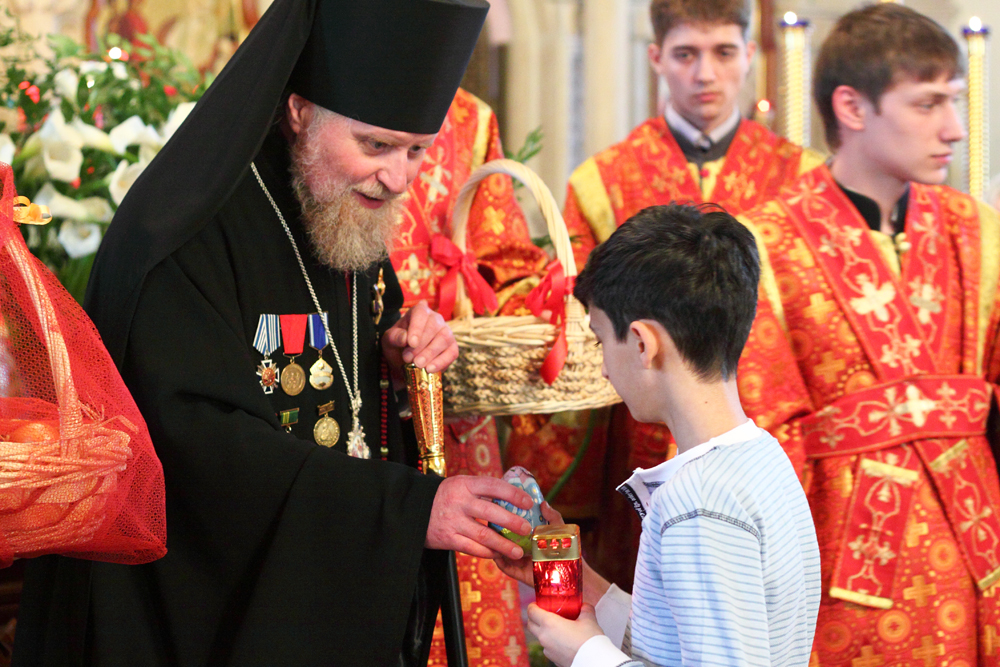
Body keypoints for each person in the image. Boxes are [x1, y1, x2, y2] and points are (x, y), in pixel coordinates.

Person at [12, 1, 538, 665]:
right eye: (375, 145)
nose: (398, 177)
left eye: (416, 151)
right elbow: (195, 449)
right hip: (201, 622)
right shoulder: (186, 232)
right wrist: (404, 510)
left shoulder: (340, 207)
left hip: (318, 596)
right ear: (299, 111)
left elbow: (351, 394)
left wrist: (395, 352)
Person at [506, 0, 817, 591]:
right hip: (643, 439)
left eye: (723, 52)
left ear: (749, 55)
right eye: (685, 54)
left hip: (766, 433)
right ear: (656, 58)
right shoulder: (604, 178)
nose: (705, 74)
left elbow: (814, 324)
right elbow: (579, 325)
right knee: (650, 607)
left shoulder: (801, 176)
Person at [740, 5, 1000, 664]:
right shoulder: (765, 243)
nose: (954, 128)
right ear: (852, 107)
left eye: (954, 100)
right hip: (846, 575)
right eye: (928, 104)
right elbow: (761, 438)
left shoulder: (978, 230)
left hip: (983, 554)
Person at [499, 204, 820, 667]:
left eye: (601, 341)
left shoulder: (697, 502)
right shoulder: (765, 459)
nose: (604, 368)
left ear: (642, 343)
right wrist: (584, 585)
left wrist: (586, 654)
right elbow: (688, 639)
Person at [394, 88, 548, 667]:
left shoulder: (470, 118)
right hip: (355, 399)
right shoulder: (317, 87)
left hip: (457, 399)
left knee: (470, 616)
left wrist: (534, 314)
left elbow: (505, 259)